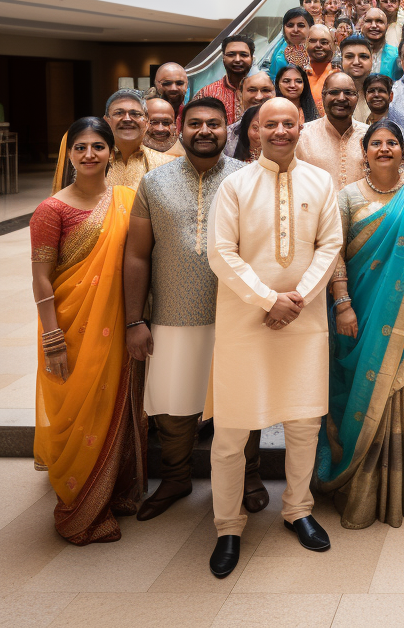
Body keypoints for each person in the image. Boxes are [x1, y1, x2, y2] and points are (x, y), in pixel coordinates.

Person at [205, 98, 344, 578]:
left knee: (304, 424)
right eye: (271, 124)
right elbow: (221, 254)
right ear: (255, 130)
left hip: (304, 323)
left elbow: (330, 245)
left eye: (289, 123)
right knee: (231, 432)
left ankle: (298, 511)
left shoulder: (320, 181)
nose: (281, 131)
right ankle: (227, 525)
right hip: (245, 322)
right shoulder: (235, 185)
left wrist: (297, 298)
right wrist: (269, 300)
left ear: (300, 126)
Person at [122, 99, 266, 522]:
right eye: (196, 124)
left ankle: (250, 474)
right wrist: (135, 320)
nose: (205, 131)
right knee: (173, 403)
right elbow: (136, 257)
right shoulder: (155, 182)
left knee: (241, 399)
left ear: (229, 130)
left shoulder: (248, 179)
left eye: (215, 124)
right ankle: (175, 476)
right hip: (171, 314)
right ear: (181, 129)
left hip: (236, 315)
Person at [315, 120, 404, 528]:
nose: (384, 149)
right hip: (358, 313)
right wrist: (343, 304)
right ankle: (359, 482)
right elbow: (332, 253)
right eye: (376, 144)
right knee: (362, 393)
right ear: (364, 152)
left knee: (401, 387)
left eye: (392, 143)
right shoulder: (347, 197)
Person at [31, 116, 145, 543]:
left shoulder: (128, 200)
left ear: (111, 153)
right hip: (71, 326)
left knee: (113, 402)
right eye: (81, 147)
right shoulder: (51, 209)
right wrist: (52, 339)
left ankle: (113, 492)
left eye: (98, 146)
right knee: (76, 411)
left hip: (118, 323)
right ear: (69, 155)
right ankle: (79, 509)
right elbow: (42, 280)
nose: (90, 155)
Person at [50, 89, 175, 193]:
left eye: (135, 113)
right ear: (106, 121)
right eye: (119, 113)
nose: (127, 119)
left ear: (147, 122)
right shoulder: (88, 159)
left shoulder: (166, 165)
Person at [294, 70, 369, 190]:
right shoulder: (303, 136)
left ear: (357, 97)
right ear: (323, 96)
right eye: (334, 92)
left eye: (349, 93)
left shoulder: (369, 135)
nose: (341, 98)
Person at [194, 35, 254, 125]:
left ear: (252, 58)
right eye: (231, 54)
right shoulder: (206, 93)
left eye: (243, 55)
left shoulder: (263, 91)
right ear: (223, 58)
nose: (237, 59)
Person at [225, 71, 275, 156]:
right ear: (239, 95)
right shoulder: (227, 136)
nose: (259, 97)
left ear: (275, 93)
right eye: (252, 90)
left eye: (265, 90)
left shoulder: (286, 132)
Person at [337, 33, 375, 122]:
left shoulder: (383, 92)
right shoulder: (331, 93)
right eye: (349, 57)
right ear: (341, 60)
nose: (356, 62)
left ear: (372, 60)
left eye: (363, 57)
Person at [304, 25, 337, 116]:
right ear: (306, 44)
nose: (318, 45)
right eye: (313, 41)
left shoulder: (339, 73)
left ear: (334, 45)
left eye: (324, 42)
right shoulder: (298, 74)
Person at [151, 62, 189, 126]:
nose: (173, 88)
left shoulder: (192, 115)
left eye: (179, 83)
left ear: (186, 86)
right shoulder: (144, 114)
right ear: (156, 85)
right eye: (167, 83)